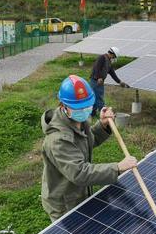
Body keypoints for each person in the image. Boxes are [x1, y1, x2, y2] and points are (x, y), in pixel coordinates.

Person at [41, 75, 138, 221]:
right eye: (80, 108)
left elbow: (86, 141)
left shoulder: (76, 120)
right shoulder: (58, 140)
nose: (85, 111)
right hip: (65, 204)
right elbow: (79, 173)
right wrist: (117, 167)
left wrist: (103, 125)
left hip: (79, 194)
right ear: (64, 106)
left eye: (88, 106)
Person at [89, 46, 130, 116]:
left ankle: (92, 114)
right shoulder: (102, 57)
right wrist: (99, 77)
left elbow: (112, 73)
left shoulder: (109, 62)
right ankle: (106, 115)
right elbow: (97, 67)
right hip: (95, 81)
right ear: (112, 54)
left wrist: (119, 82)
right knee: (99, 98)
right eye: (114, 57)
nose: (114, 58)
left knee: (96, 97)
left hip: (100, 81)